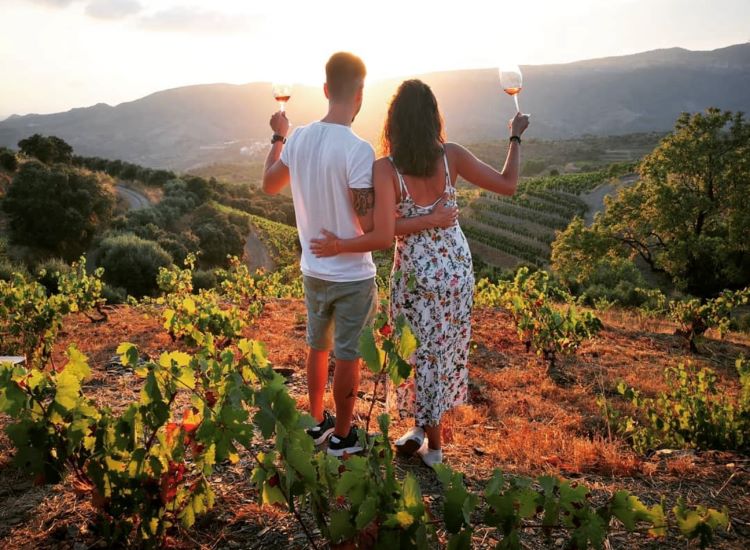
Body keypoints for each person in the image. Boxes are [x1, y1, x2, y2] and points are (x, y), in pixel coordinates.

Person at [310, 79, 529, 468]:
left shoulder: (386, 169)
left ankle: (437, 449)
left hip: (416, 276)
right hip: (457, 272)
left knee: (415, 353)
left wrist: (343, 243)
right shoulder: (452, 156)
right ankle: (419, 429)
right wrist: (514, 138)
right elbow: (508, 185)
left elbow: (383, 234)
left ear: (393, 122)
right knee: (439, 354)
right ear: (433, 118)